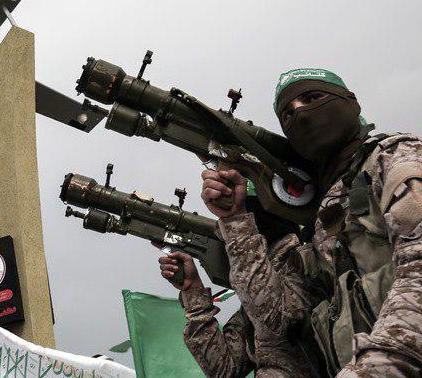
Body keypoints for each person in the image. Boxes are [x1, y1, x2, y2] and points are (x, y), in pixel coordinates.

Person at [200, 68, 422, 376]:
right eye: (288, 114)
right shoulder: (322, 224)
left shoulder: (397, 155)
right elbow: (277, 321)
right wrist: (236, 219)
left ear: (350, 102)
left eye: (312, 98)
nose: (300, 113)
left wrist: (379, 366)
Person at [159, 194, 322, 377]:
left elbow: (281, 323)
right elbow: (225, 369)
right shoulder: (254, 308)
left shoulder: (305, 272)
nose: (229, 249)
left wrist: (236, 226)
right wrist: (193, 290)